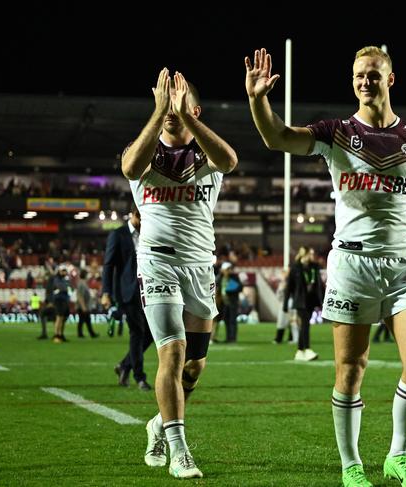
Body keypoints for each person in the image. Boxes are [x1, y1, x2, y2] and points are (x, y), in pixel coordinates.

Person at [245, 46, 406, 487]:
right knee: (351, 369)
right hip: (351, 263)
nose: (364, 82)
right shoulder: (336, 133)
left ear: (390, 79)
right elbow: (278, 137)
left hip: (400, 263)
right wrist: (259, 99)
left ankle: (398, 456)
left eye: (373, 74)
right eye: (358, 75)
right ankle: (351, 465)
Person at [123, 68, 237, 479]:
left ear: (195, 109)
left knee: (195, 366)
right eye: (166, 101)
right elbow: (129, 168)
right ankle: (178, 449)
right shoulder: (145, 153)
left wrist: (185, 115)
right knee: (171, 353)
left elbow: (231, 160)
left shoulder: (207, 156)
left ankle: (158, 422)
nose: (172, 108)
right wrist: (161, 111)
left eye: (180, 100)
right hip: (157, 261)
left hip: (200, 266)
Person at [101, 204, 153, 391]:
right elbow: (108, 265)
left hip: (148, 290)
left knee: (150, 333)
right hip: (128, 292)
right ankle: (139, 377)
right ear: (135, 214)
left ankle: (124, 365)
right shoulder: (118, 234)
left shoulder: (148, 233)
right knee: (137, 332)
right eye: (142, 219)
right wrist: (106, 292)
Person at [282, 246, 324, 360]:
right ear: (304, 254)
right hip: (300, 301)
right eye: (310, 254)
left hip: (311, 301)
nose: (312, 256)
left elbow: (319, 285)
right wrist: (285, 304)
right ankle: (308, 349)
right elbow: (289, 287)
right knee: (305, 324)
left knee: (305, 325)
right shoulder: (296, 268)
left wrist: (322, 300)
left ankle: (300, 352)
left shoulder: (314, 267)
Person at [216, 261, 243, 343]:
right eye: (227, 269)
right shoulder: (220, 277)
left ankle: (233, 338)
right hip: (223, 303)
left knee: (232, 320)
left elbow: (240, 287)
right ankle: (228, 337)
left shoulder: (234, 277)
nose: (228, 270)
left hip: (232, 302)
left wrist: (231, 289)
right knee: (227, 320)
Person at [76, 269, 98, 339]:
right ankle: (88, 333)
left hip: (84, 305)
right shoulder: (81, 284)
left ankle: (85, 333)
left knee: (84, 320)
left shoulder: (83, 283)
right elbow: (80, 296)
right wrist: (83, 307)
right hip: (82, 306)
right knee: (84, 320)